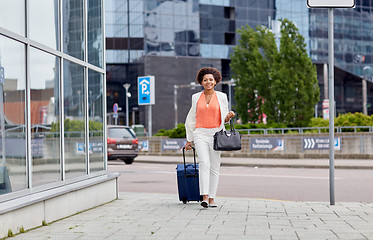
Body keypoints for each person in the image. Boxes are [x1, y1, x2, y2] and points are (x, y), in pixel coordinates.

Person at [184, 67, 235, 208]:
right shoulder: (195, 98)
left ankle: (212, 198)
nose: (208, 82)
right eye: (205, 80)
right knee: (204, 164)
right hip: (200, 133)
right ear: (201, 82)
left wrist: (228, 117)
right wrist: (189, 139)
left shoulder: (222, 96)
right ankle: (204, 196)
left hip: (216, 135)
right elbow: (191, 119)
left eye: (210, 80)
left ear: (215, 81)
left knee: (214, 167)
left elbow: (223, 119)